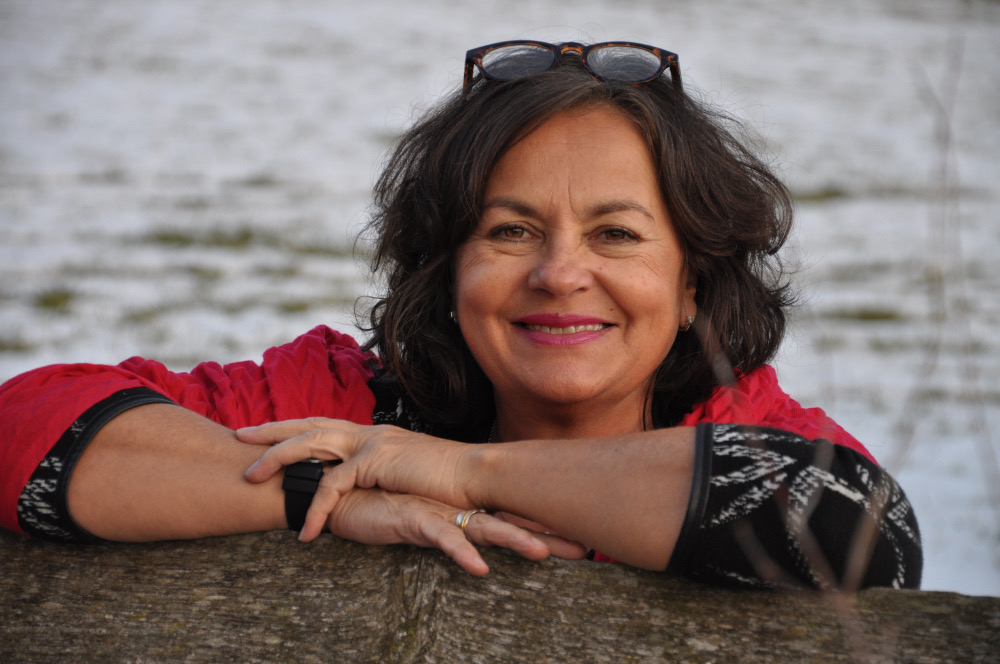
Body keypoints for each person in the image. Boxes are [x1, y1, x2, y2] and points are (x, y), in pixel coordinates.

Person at [0, 40, 921, 590]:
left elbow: (867, 534)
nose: (560, 275)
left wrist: (458, 472)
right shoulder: (339, 409)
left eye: (615, 235)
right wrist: (330, 494)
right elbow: (25, 426)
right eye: (511, 231)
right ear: (446, 272)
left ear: (692, 285)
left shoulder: (749, 431)